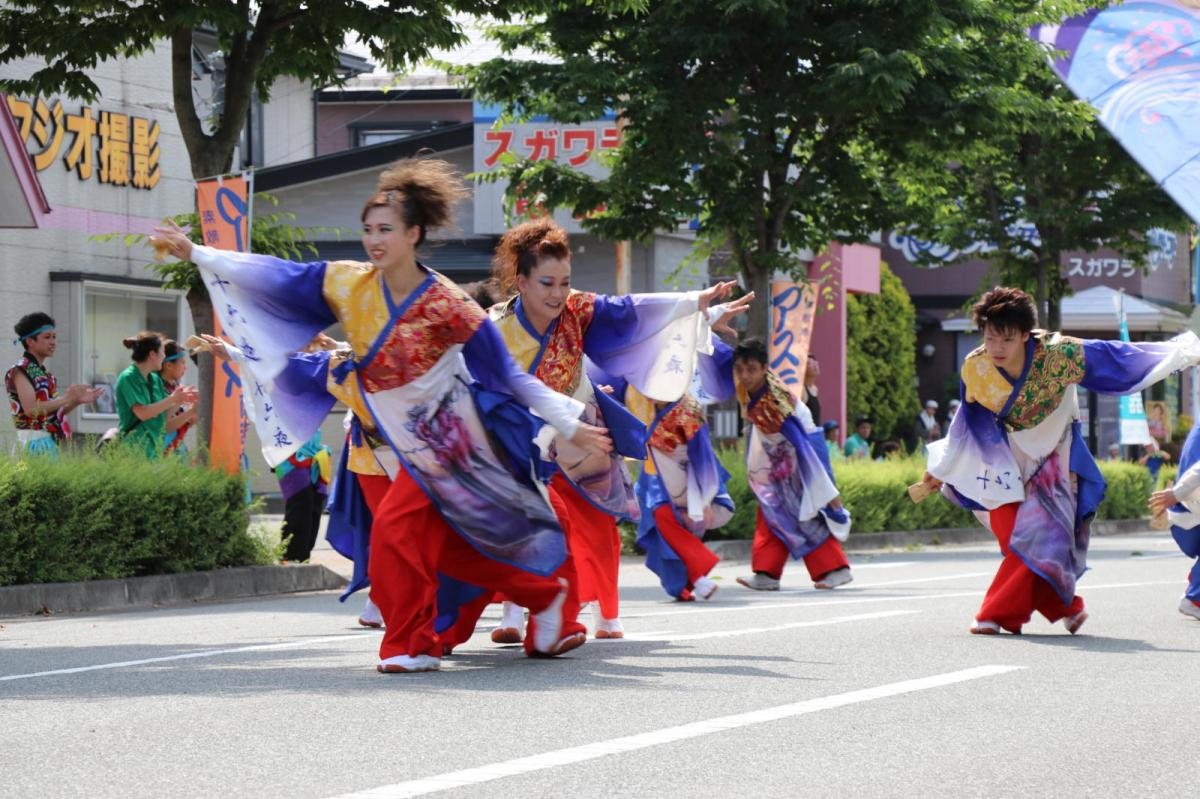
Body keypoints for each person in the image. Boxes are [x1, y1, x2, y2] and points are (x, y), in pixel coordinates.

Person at [152, 157, 614, 673]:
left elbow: (508, 376)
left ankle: (412, 644)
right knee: (445, 545)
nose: (375, 239)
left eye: (387, 229)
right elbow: (279, 276)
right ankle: (541, 593)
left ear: (414, 233)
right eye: (369, 229)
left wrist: (571, 422)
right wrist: (198, 253)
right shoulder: (350, 283)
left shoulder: (446, 302)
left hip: (454, 440)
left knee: (396, 530)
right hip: (404, 444)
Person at [482, 218, 750, 637]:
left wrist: (701, 307)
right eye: (547, 283)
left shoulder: (578, 309)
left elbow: (633, 314)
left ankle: (606, 614)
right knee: (524, 520)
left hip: (582, 428)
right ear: (521, 280)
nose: (558, 294)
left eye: (565, 282)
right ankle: (514, 614)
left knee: (596, 524)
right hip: (521, 436)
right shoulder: (494, 326)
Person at [922, 286, 1200, 635]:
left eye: (1006, 340)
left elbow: (1116, 358)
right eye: (990, 337)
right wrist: (939, 469)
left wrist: (1183, 353)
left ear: (1026, 334)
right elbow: (966, 425)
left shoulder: (1060, 354)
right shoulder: (975, 367)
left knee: (1037, 536)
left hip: (1054, 457)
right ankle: (1065, 605)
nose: (996, 348)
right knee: (1014, 539)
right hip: (1001, 460)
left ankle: (995, 614)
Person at [724, 337, 853, 592]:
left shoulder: (775, 402)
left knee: (806, 510)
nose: (745, 375)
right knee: (771, 507)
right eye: (740, 369)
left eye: (751, 369)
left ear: (764, 368)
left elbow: (801, 442)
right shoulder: (750, 389)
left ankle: (836, 568)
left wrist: (825, 489)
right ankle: (766, 573)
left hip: (802, 450)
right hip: (781, 454)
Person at [5, 312, 97, 454]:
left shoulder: (45, 374)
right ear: (30, 341)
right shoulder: (20, 370)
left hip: (47, 442)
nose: (53, 342)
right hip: (29, 443)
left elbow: (53, 412)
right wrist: (66, 398)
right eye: (47, 337)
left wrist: (75, 401)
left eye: (54, 337)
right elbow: (31, 410)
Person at [114, 331, 198, 458]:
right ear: (152, 354)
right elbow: (143, 413)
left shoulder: (155, 379)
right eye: (162, 352)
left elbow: (163, 421)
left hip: (152, 453)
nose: (164, 357)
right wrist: (173, 399)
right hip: (132, 452)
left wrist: (181, 401)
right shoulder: (128, 377)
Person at [1150, 422, 1200, 620]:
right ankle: (1194, 596)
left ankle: (1196, 585)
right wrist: (1176, 494)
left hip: (1186, 512)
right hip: (1190, 515)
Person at [158, 339, 197, 456]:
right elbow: (163, 427)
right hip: (160, 453)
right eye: (182, 363)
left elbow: (180, 424)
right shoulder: (157, 390)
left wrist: (193, 417)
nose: (185, 368)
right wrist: (191, 412)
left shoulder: (175, 387)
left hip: (176, 450)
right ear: (169, 365)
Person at [802, 353, 820, 424]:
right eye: (809, 363)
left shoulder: (815, 389)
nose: (815, 365)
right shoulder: (802, 391)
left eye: (815, 362)